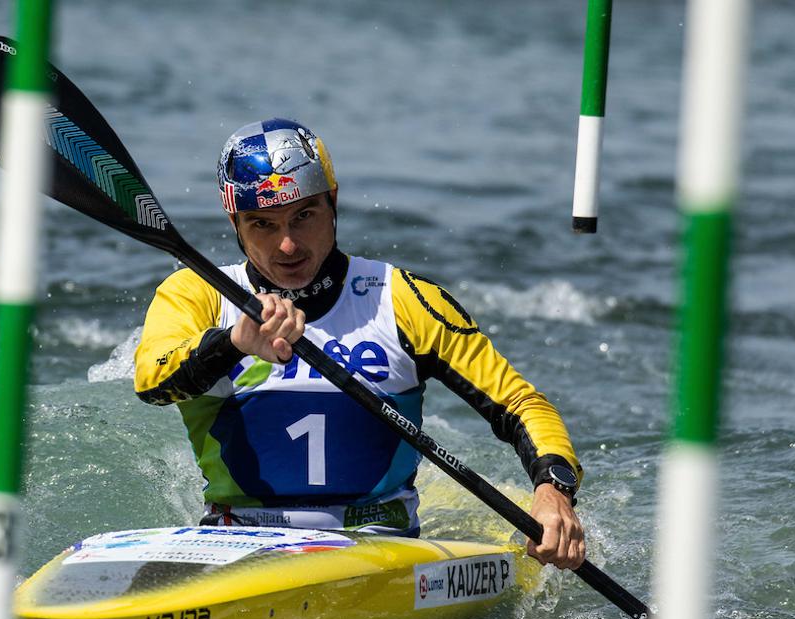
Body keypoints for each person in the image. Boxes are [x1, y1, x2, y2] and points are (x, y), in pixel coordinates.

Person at [133, 118, 586, 570]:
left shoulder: (403, 300)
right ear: (235, 222)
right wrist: (233, 343)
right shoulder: (196, 294)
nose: (287, 244)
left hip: (378, 550)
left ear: (333, 203)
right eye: (263, 225)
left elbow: (520, 403)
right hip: (237, 545)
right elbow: (153, 383)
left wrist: (553, 492)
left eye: (303, 216)